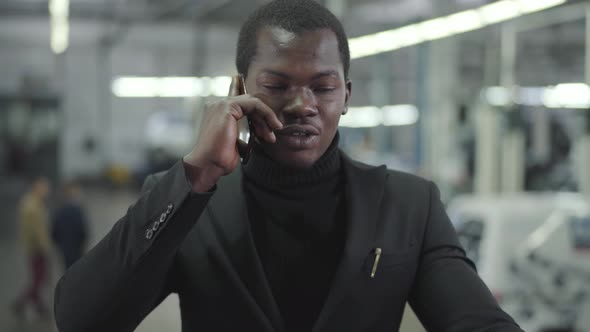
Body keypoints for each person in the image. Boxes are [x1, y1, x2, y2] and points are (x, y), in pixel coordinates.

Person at [54, 1, 524, 331]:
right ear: (239, 86)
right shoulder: (188, 201)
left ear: (347, 96)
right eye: (277, 84)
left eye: (323, 87)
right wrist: (194, 175)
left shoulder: (408, 205)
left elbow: (477, 321)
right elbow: (83, 318)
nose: (302, 104)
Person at [13, 176, 52, 319]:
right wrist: (45, 247)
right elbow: (37, 230)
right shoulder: (32, 206)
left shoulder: (31, 202)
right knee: (39, 278)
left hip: (33, 247)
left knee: (38, 278)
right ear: (37, 187)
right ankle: (22, 303)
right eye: (44, 188)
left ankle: (37, 304)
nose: (47, 191)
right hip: (36, 248)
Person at [51, 181, 88, 270]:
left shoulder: (60, 210)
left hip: (64, 248)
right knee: (77, 271)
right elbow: (82, 230)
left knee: (66, 270)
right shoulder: (78, 210)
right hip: (77, 248)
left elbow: (54, 230)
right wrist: (83, 243)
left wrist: (59, 244)